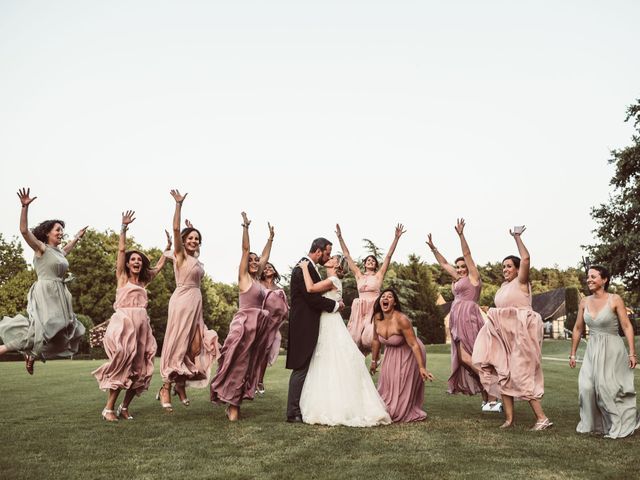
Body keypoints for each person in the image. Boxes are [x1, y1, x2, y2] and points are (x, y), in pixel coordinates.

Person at [92, 211, 170, 421]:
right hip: (124, 324)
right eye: (132, 259)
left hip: (141, 327)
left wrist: (168, 249)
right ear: (127, 264)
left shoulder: (143, 282)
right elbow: (121, 249)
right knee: (123, 362)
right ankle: (108, 408)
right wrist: (124, 228)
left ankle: (124, 407)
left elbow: (160, 266)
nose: (136, 261)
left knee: (140, 369)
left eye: (139, 260)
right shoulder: (122, 277)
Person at [472, 227, 552, 430]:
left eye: (509, 266)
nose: (505, 269)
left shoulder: (521, 282)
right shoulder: (502, 287)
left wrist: (517, 237)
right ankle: (509, 419)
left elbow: (526, 258)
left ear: (517, 269)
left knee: (520, 373)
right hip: (505, 336)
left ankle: (542, 418)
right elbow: (502, 310)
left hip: (523, 333)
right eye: (503, 266)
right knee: (504, 372)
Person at [0, 188, 86, 374]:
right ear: (47, 233)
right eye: (58, 230)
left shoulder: (58, 252)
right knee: (45, 330)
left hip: (60, 294)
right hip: (45, 291)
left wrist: (77, 238)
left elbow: (66, 249)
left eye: (62, 230)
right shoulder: (41, 248)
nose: (61, 233)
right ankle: (11, 350)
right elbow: (23, 231)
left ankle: (32, 354)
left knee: (67, 330)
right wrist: (24, 207)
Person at [298, 255, 391, 427]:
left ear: (336, 264)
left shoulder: (333, 279)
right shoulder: (330, 279)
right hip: (327, 321)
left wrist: (304, 268)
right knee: (328, 359)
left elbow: (310, 289)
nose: (329, 258)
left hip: (330, 322)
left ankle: (338, 405)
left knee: (333, 358)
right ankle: (330, 399)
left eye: (332, 257)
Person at [211, 213, 281, 421]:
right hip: (243, 326)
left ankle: (235, 402)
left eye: (255, 260)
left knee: (250, 365)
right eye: (250, 260)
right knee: (237, 362)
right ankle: (232, 404)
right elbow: (244, 250)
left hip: (258, 327)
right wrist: (246, 227)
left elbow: (265, 257)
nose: (253, 261)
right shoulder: (243, 278)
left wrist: (270, 239)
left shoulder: (258, 281)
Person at [426, 219, 500, 411]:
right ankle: (488, 398)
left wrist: (461, 235)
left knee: (470, 359)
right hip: (456, 320)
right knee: (463, 360)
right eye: (457, 267)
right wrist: (434, 249)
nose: (459, 269)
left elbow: (467, 254)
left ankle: (493, 388)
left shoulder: (473, 278)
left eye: (462, 267)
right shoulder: (458, 278)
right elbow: (443, 264)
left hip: (469, 317)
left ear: (468, 268)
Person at [158, 190, 220, 412]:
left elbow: (196, 255)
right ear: (183, 242)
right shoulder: (180, 256)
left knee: (194, 346)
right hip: (182, 300)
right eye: (190, 238)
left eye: (197, 238)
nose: (194, 240)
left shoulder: (195, 258)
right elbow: (176, 229)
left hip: (196, 302)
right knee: (178, 343)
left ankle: (179, 385)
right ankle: (166, 387)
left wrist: (192, 226)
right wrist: (178, 205)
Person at [569, 265, 640, 438]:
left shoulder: (615, 299)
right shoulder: (584, 301)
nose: (589, 280)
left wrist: (632, 352)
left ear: (604, 279)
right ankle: (591, 424)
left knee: (606, 388)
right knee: (586, 387)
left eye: (593, 276)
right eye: (588, 277)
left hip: (612, 349)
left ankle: (620, 423)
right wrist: (573, 353)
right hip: (592, 349)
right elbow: (578, 328)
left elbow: (626, 326)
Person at [285, 237, 343, 423]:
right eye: (327, 253)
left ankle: (302, 408)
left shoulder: (311, 269)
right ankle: (293, 412)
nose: (327, 257)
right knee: (301, 367)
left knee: (309, 367)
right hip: (303, 325)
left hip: (312, 324)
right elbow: (312, 299)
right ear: (318, 251)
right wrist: (336, 305)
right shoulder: (302, 268)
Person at [336, 223, 405, 354]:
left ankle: (376, 354)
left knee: (368, 337)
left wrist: (396, 238)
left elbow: (388, 256)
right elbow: (347, 255)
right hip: (359, 310)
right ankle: (358, 364)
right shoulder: (358, 275)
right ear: (364, 263)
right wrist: (340, 237)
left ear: (375, 264)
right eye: (368, 260)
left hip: (373, 309)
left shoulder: (379, 275)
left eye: (373, 260)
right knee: (354, 338)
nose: (370, 261)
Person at [370, 288, 434, 422]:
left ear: (394, 303)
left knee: (399, 391)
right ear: (380, 301)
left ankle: (404, 406)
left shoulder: (402, 320)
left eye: (390, 297)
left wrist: (421, 367)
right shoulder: (377, 317)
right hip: (390, 352)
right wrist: (374, 361)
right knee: (388, 383)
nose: (385, 298)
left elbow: (414, 345)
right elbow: (376, 340)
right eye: (383, 296)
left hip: (409, 352)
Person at [256, 262, 289, 394]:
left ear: (274, 271)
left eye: (270, 267)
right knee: (253, 351)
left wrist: (279, 321)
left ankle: (260, 381)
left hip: (272, 324)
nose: (268, 268)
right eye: (265, 267)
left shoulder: (280, 289)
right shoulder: (257, 285)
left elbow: (284, 308)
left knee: (265, 352)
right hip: (258, 320)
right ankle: (249, 379)